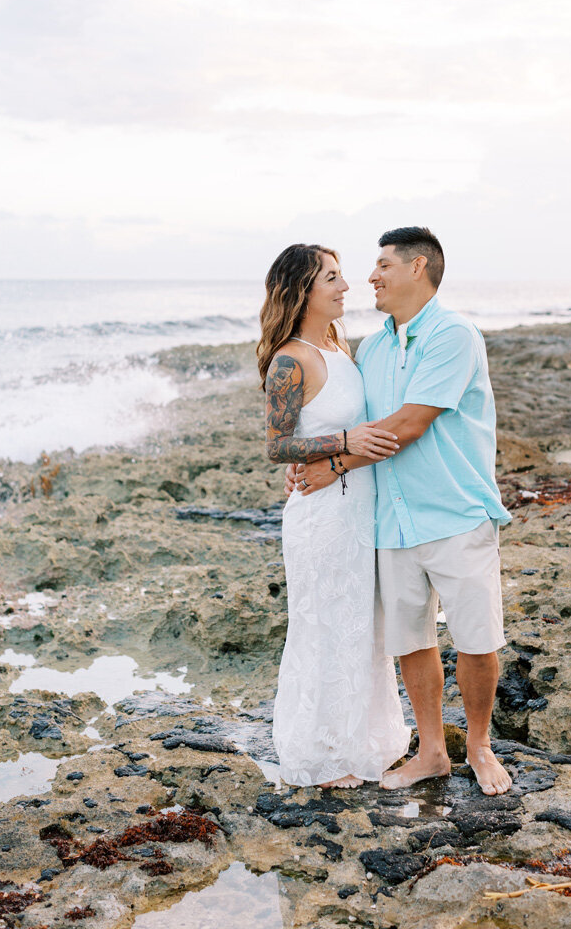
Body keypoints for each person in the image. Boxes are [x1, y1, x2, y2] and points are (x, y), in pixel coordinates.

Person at [289, 227, 513, 796]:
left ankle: (480, 747)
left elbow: (411, 423)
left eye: (383, 265)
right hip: (390, 518)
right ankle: (432, 751)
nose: (371, 277)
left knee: (475, 638)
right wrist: (319, 453)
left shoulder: (454, 334)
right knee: (411, 639)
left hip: (455, 511)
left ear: (418, 267)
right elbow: (346, 421)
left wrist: (331, 465)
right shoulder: (374, 347)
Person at [257, 243, 411, 789]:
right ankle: (318, 751)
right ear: (303, 290)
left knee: (361, 626)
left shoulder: (339, 345)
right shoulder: (289, 359)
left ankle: (360, 742)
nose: (346, 287)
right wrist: (344, 440)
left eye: (342, 277)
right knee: (323, 625)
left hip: (359, 508)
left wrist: (340, 455)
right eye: (332, 278)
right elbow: (277, 447)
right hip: (320, 516)